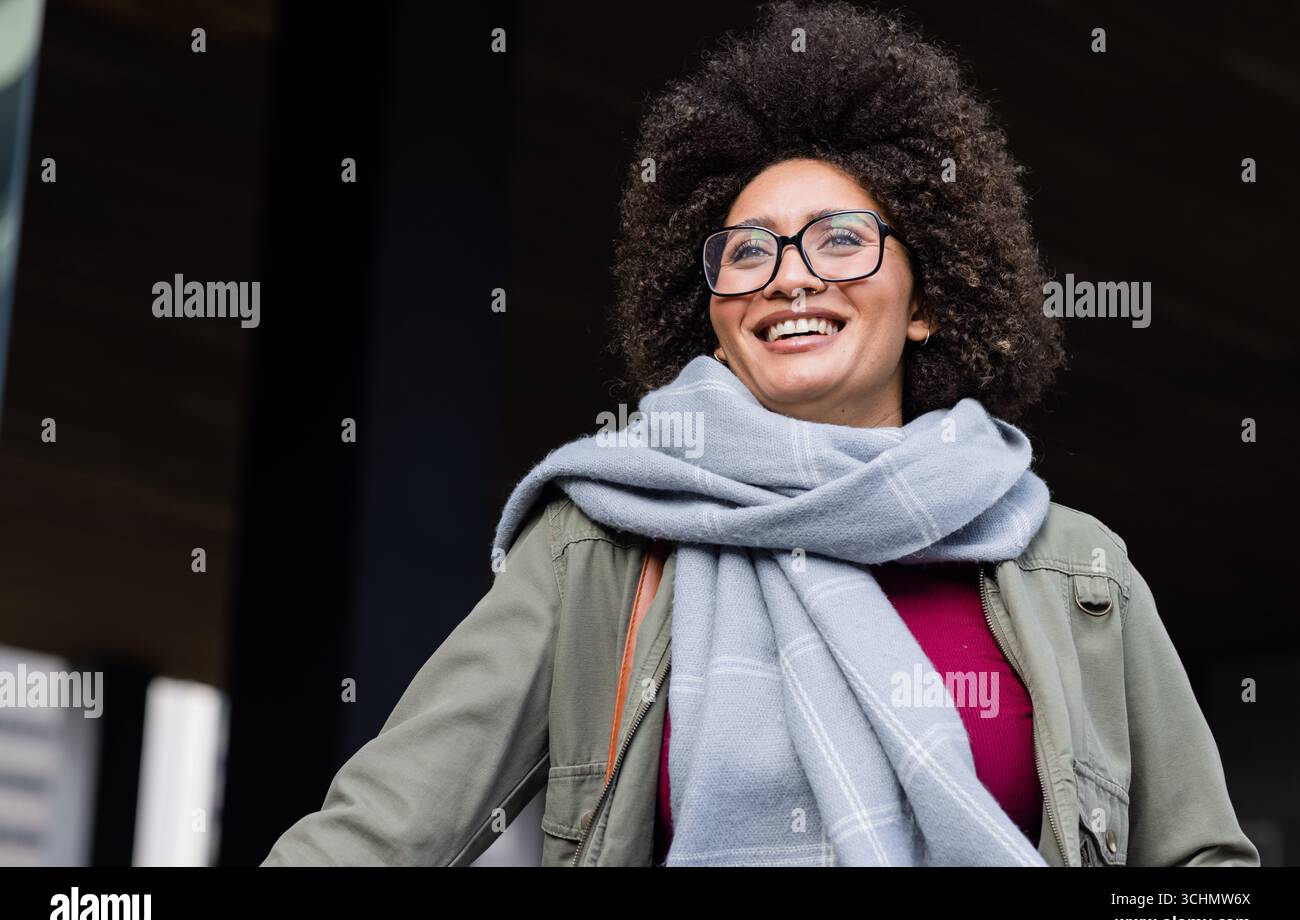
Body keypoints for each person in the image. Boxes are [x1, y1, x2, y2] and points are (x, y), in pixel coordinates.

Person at [263, 0, 1258, 867]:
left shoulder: (1076, 572)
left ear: (928, 300)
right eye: (748, 251)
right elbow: (382, 836)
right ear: (714, 314)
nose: (790, 275)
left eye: (839, 239)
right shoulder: (598, 547)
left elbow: (1195, 872)